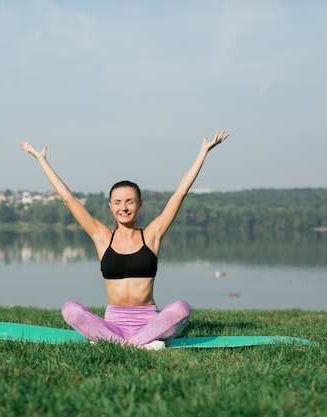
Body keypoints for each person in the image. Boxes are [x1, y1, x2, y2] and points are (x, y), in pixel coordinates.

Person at [20, 130, 229, 350]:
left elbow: (180, 194)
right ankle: (139, 344)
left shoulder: (151, 235)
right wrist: (42, 161)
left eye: (130, 201)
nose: (124, 207)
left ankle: (124, 344)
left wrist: (203, 153)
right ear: (110, 206)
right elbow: (68, 198)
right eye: (118, 202)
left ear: (140, 204)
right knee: (70, 309)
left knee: (181, 308)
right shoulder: (101, 237)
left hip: (150, 321)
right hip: (114, 324)